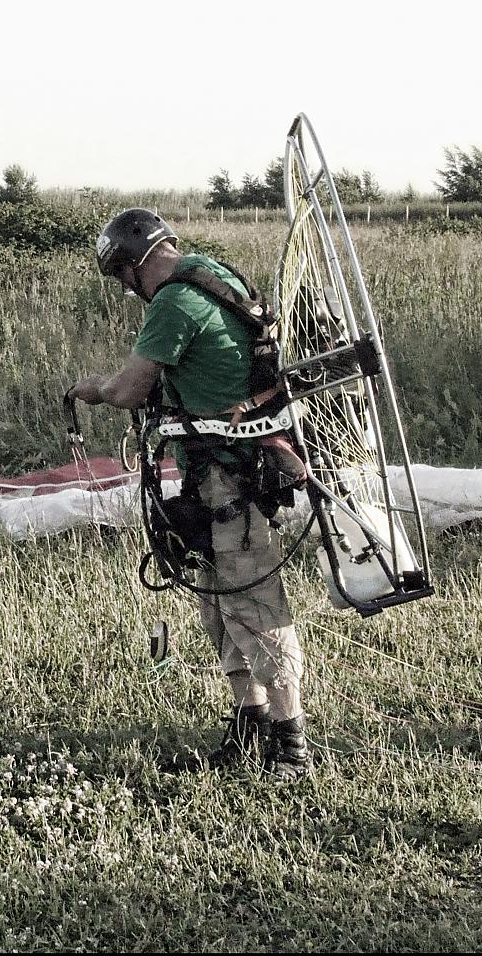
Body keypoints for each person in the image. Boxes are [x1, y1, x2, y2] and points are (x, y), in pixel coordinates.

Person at [69, 208, 311, 781]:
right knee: (217, 601)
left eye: (122, 278)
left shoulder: (174, 301)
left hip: (231, 475)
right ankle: (248, 729)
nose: (127, 292)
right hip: (209, 474)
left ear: (132, 266)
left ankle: (290, 745)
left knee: (253, 603)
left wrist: (94, 389)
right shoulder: (212, 272)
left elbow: (130, 389)